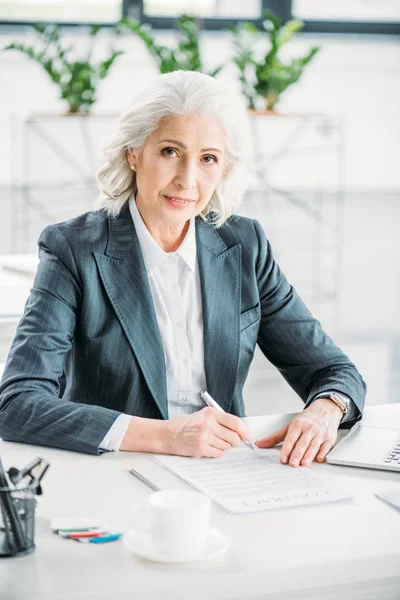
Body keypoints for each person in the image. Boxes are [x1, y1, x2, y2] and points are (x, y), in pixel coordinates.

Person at [0, 71, 365, 466]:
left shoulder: (244, 245)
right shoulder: (73, 249)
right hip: (115, 471)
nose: (187, 180)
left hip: (223, 472)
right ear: (133, 153)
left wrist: (325, 411)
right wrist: (164, 436)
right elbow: (18, 403)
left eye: (208, 159)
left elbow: (334, 371)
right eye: (170, 151)